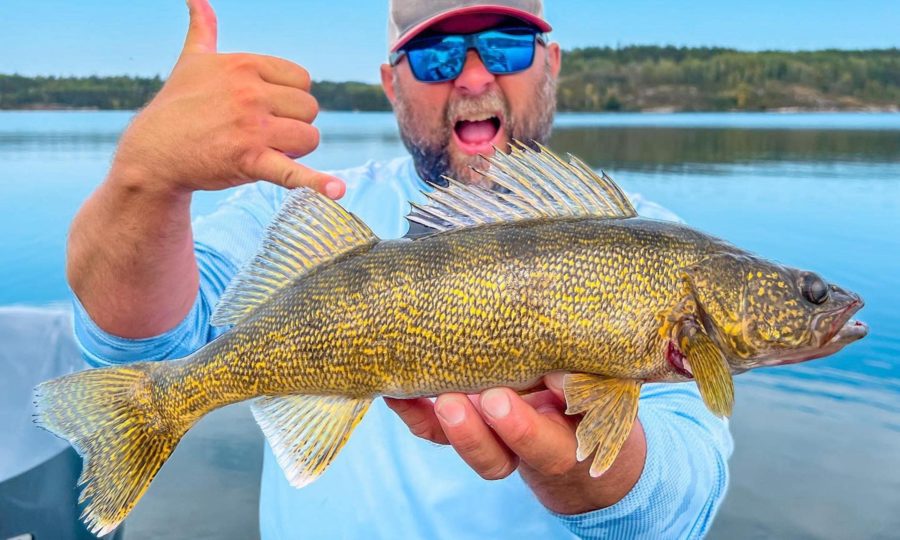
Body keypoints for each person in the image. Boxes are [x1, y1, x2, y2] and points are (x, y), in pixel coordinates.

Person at [66, 0, 733, 537]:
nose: (474, 76)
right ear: (391, 81)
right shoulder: (310, 199)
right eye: (437, 53)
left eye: (505, 43)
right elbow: (147, 341)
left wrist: (594, 479)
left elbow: (684, 498)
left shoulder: (650, 241)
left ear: (550, 62)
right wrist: (144, 182)